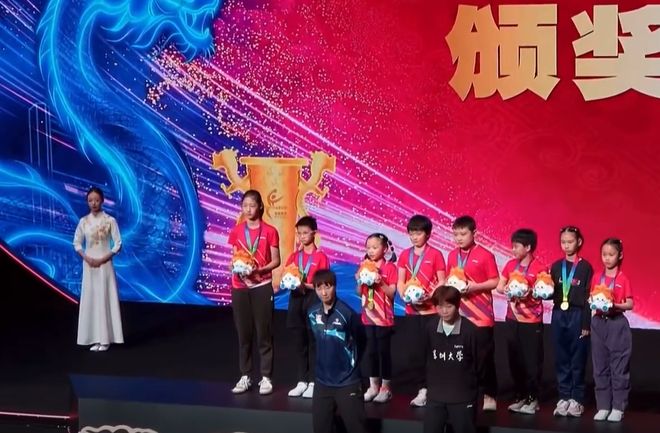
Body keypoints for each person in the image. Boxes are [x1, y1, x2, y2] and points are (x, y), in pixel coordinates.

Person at [227, 190, 280, 395]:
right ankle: (245, 375)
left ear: (260, 207)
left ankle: (266, 377)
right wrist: (234, 267)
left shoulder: (270, 231)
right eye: (245, 206)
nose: (248, 209)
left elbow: (276, 260)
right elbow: (234, 257)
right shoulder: (237, 231)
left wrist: (259, 270)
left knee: (264, 333)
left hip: (261, 286)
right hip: (240, 287)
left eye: (252, 205)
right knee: (244, 334)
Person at [446, 215, 499, 411]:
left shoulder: (485, 255)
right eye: (456, 234)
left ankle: (489, 395)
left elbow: (495, 281)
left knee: (484, 358)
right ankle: (465, 393)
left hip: (481, 315)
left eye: (463, 234)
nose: (459, 238)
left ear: (474, 233)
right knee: (461, 356)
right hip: (459, 315)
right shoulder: (452, 255)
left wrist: (474, 287)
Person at [396, 215, 446, 407]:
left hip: (431, 312)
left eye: (418, 233)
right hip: (412, 313)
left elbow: (442, 281)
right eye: (411, 233)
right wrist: (404, 296)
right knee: (415, 353)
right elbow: (400, 281)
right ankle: (422, 389)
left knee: (433, 352)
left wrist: (430, 296)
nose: (414, 237)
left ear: (428, 234)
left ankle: (436, 387)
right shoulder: (404, 255)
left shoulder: (435, 254)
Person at [496, 228, 547, 414]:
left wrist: (529, 291)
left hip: (531, 321)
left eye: (516, 246)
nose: (513, 250)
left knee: (531, 362)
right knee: (514, 359)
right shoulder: (510, 265)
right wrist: (508, 289)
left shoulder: (539, 267)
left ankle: (533, 399)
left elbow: (544, 291)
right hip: (511, 319)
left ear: (528, 247)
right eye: (512, 246)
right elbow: (499, 287)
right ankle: (520, 396)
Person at [309, 269, 367, 433]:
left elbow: (362, 340)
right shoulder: (312, 313)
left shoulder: (347, 314)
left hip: (347, 383)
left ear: (335, 287)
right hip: (322, 383)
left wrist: (351, 367)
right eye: (319, 288)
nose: (324, 292)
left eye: (327, 287)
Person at [73, 186, 124, 352]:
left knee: (104, 298)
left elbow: (118, 244)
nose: (93, 203)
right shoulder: (83, 222)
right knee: (91, 299)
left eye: (96, 200)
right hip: (89, 265)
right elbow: (77, 243)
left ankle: (106, 339)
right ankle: (94, 338)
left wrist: (103, 258)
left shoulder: (110, 220)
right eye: (90, 200)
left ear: (102, 200)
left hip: (105, 265)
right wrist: (86, 257)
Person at [549, 226, 593, 417]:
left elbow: (589, 297)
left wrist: (585, 324)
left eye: (570, 242)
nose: (566, 246)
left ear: (579, 242)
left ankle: (577, 399)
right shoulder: (556, 266)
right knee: (561, 358)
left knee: (577, 358)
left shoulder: (585, 267)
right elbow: (550, 292)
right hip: (559, 314)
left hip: (578, 314)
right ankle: (564, 397)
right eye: (563, 242)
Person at [424, 285, 481, 433]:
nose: (444, 311)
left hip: (463, 398)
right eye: (440, 307)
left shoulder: (470, 331)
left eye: (449, 306)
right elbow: (426, 358)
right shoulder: (430, 328)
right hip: (435, 397)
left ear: (457, 305)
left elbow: (479, 365)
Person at [286, 216, 330, 399]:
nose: (302, 236)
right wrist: (289, 282)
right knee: (300, 343)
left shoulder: (321, 257)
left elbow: (324, 283)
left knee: (314, 342)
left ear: (314, 233)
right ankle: (301, 380)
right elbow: (287, 276)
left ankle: (314, 381)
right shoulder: (294, 256)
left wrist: (306, 285)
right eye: (299, 233)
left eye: (305, 233)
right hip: (296, 300)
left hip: (313, 300)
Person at [591, 238, 633, 423]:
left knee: (618, 367)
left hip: (617, 324)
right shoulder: (596, 277)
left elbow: (630, 304)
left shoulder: (623, 279)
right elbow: (592, 298)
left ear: (620, 255)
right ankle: (603, 406)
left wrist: (614, 305)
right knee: (600, 366)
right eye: (604, 255)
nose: (607, 258)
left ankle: (618, 407)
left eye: (611, 254)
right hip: (598, 323)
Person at [357, 233, 397, 403]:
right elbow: (358, 292)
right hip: (368, 316)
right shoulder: (364, 266)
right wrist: (361, 280)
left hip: (384, 318)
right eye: (368, 248)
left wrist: (380, 281)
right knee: (371, 352)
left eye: (375, 247)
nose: (371, 251)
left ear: (385, 248)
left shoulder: (390, 267)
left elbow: (392, 293)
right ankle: (373, 386)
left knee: (383, 352)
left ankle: (386, 388)